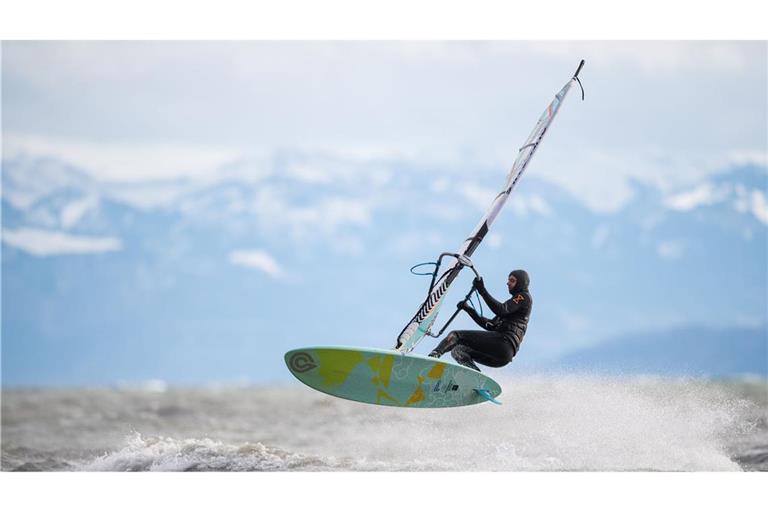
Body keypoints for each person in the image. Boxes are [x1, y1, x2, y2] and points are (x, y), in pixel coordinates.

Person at [428, 269, 532, 371]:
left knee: (456, 336)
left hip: (504, 343)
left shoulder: (524, 297)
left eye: (512, 280)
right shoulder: (512, 305)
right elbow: (490, 325)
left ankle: (432, 357)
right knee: (458, 351)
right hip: (502, 356)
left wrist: (482, 290)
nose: (508, 283)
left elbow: (501, 310)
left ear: (521, 283)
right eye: (509, 280)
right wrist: (469, 310)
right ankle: (475, 380)